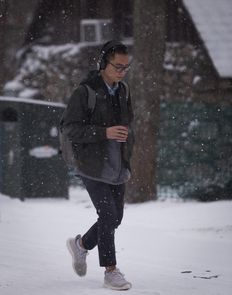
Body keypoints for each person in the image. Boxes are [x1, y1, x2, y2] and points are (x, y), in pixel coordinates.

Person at [63, 40, 134, 290]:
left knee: (115, 218)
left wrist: (127, 149)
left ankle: (81, 245)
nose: (122, 72)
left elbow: (129, 125)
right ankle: (111, 271)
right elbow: (70, 129)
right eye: (117, 66)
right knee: (107, 214)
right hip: (92, 166)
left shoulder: (123, 90)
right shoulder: (85, 92)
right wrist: (104, 133)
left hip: (117, 166)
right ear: (103, 63)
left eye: (126, 67)